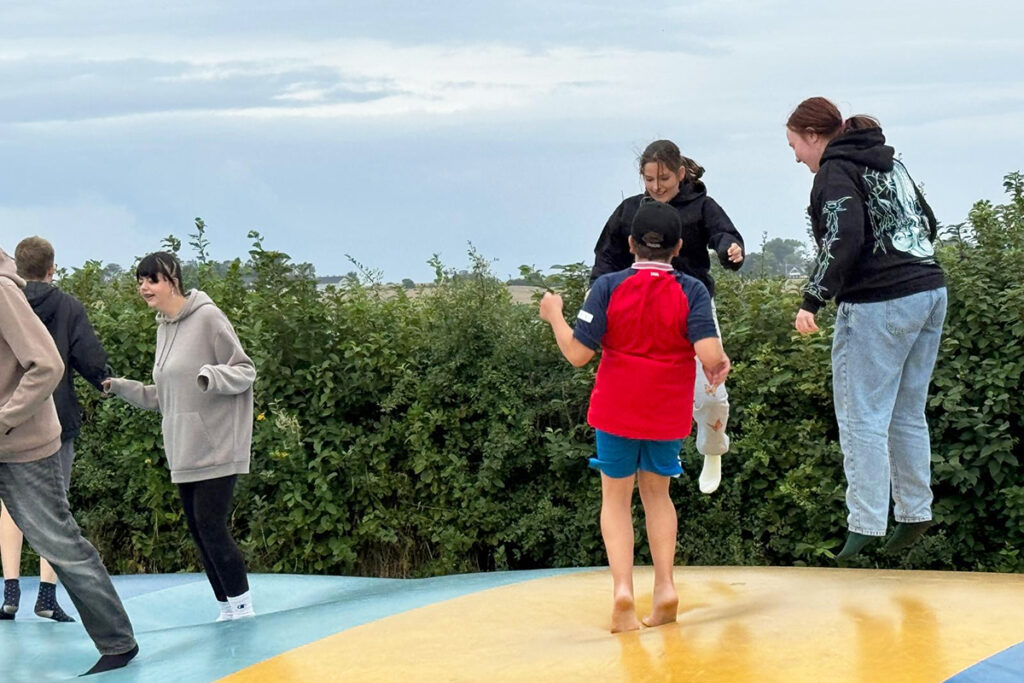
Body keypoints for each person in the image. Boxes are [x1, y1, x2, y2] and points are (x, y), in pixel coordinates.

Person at [541, 200, 730, 633]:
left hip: (616, 409)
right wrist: (720, 362)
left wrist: (554, 316)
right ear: (678, 247)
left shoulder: (606, 288)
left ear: (630, 245)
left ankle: (623, 590)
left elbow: (577, 354)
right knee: (657, 497)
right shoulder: (692, 291)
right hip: (666, 413)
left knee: (616, 500)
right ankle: (664, 587)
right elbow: (709, 355)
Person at [785, 96, 947, 559]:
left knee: (862, 419)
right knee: (906, 412)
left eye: (795, 144)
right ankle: (915, 512)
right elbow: (927, 222)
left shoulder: (835, 171)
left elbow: (845, 235)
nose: (796, 155)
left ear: (815, 137)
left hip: (881, 302)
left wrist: (813, 298)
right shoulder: (890, 162)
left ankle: (865, 527)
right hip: (930, 291)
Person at [0, 247, 138, 675]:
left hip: (22, 443)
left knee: (60, 544)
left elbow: (48, 364)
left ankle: (118, 642)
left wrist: (3, 420)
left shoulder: (2, 292)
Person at [103, 252, 256, 621]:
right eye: (140, 281)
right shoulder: (163, 328)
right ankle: (226, 608)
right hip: (183, 448)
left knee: (210, 525)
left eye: (151, 280)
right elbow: (164, 395)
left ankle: (243, 607)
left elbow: (245, 369)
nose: (143, 288)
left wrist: (210, 376)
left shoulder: (207, 317)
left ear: (171, 279)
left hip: (217, 443)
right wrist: (120, 387)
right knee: (199, 532)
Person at [590, 140, 744, 495]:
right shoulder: (630, 210)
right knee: (637, 385)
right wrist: (596, 292)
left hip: (693, 308)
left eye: (664, 179)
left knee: (710, 394)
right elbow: (607, 254)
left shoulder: (702, 207)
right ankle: (652, 453)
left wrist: (730, 251)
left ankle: (713, 450)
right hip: (639, 306)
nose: (657, 187)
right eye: (648, 179)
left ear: (680, 173)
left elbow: (724, 235)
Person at [1, 236, 111, 624]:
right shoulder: (67, 307)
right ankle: (46, 595)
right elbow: (88, 356)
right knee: (55, 513)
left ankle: (10, 591)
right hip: (54, 419)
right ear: (52, 269)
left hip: (7, 419)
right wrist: (105, 381)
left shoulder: (7, 294)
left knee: (10, 510)